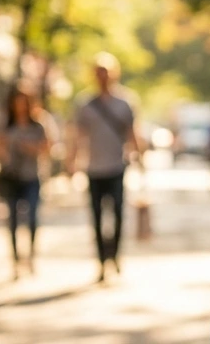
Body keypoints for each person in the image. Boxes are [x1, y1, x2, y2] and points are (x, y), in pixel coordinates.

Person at [69, 52, 142, 283]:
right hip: (93, 169)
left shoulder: (125, 102)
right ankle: (102, 262)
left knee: (118, 215)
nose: (102, 76)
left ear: (114, 74)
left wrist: (140, 160)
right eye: (98, 72)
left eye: (106, 72)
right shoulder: (85, 104)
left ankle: (115, 256)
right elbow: (78, 136)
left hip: (117, 167)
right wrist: (72, 162)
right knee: (97, 217)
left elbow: (132, 133)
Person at [0, 86, 53, 278]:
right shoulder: (6, 125)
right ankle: (15, 260)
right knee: (12, 220)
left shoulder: (38, 125)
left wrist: (29, 147)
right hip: (11, 177)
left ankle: (31, 256)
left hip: (31, 177)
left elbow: (47, 148)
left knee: (32, 218)